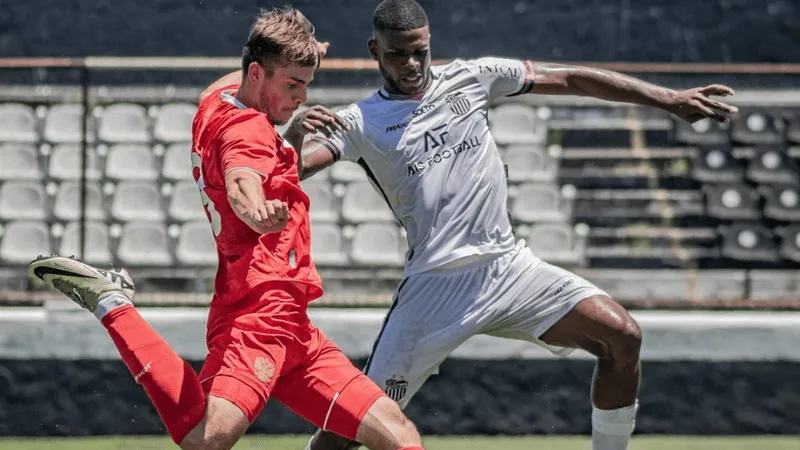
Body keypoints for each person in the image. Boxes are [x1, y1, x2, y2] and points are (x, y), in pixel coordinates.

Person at [301, 1, 739, 450]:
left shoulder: (473, 77)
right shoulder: (358, 121)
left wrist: (669, 99)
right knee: (347, 433)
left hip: (509, 270)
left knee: (622, 337)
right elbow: (292, 168)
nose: (411, 64)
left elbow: (570, 78)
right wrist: (293, 133)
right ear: (375, 50)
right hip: (433, 288)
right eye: (397, 54)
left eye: (420, 51)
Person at [28, 6, 427, 450]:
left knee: (401, 437)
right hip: (259, 318)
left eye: (306, 86)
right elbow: (243, 179)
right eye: (292, 85)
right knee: (205, 439)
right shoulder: (249, 131)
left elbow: (229, 90)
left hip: (292, 326)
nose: (300, 98)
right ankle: (113, 305)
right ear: (257, 73)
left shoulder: (216, 103)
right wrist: (255, 210)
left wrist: (297, 54)